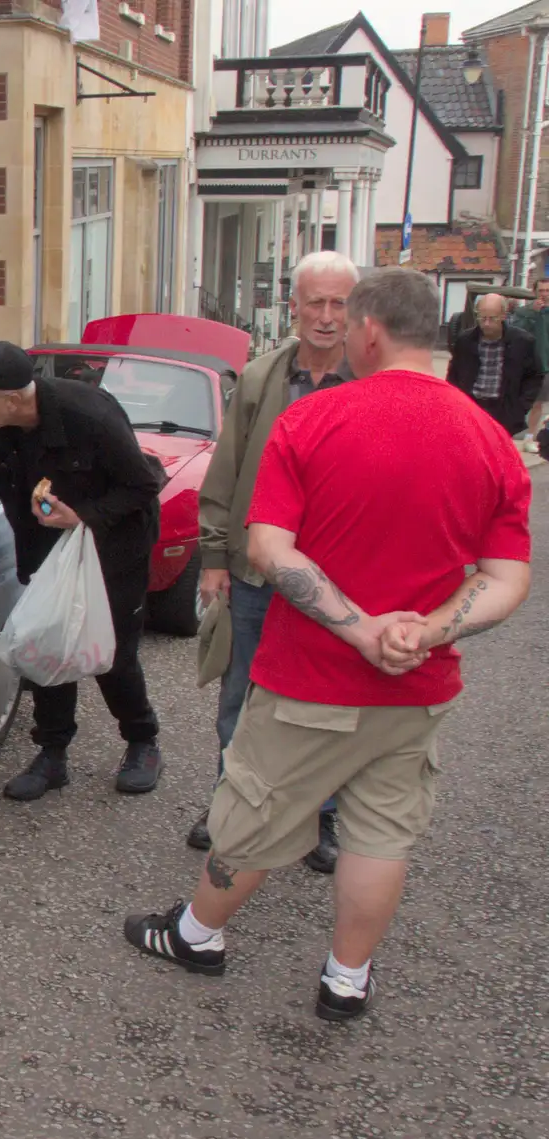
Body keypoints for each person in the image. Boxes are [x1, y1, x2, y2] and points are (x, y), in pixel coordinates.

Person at [123, 268, 532, 1021]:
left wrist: (357, 628)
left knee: (252, 813)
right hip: (419, 685)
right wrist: (425, 629)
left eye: (348, 321)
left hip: (310, 677)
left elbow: (272, 551)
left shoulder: (313, 420)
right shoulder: (487, 436)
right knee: (380, 834)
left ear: (369, 330)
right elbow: (507, 578)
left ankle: (196, 935)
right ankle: (346, 977)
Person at [188, 250, 360, 873]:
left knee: (332, 702)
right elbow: (227, 469)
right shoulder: (262, 377)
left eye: (339, 303)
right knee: (242, 694)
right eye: (315, 301)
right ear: (293, 308)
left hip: (340, 580)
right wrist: (214, 557)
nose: (326, 315)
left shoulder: (371, 382)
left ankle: (322, 816)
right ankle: (229, 805)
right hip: (256, 570)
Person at [0, 341, 166, 801]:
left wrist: (82, 516)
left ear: (12, 396)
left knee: (113, 652)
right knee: (46, 644)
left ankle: (142, 741)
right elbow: (14, 496)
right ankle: (52, 754)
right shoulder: (1, 425)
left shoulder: (90, 416)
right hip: (49, 542)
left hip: (113, 543)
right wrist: (31, 566)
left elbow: (144, 484)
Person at [449, 293, 542, 435]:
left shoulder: (522, 341)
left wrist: (520, 408)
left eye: (492, 318)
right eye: (482, 318)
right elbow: (453, 374)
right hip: (472, 407)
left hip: (503, 410)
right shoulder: (465, 340)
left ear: (503, 316)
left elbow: (534, 377)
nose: (486, 323)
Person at [508, 275, 549, 447]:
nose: (545, 294)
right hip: (531, 365)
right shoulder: (524, 312)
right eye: (541, 290)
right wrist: (532, 313)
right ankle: (521, 435)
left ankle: (532, 435)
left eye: (548, 291)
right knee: (528, 402)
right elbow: (516, 332)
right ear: (534, 292)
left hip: (547, 365)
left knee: (539, 403)